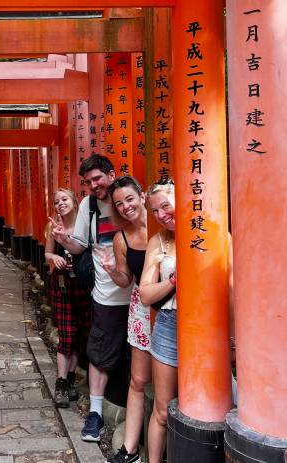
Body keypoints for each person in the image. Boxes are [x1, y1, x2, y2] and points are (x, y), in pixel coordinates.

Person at [51, 154, 133, 442]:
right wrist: (64, 241)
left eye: (97, 179)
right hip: (106, 294)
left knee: (137, 358)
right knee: (99, 352)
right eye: (87, 182)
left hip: (139, 294)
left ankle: (133, 418)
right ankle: (96, 413)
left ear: (111, 174)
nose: (93, 186)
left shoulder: (129, 198)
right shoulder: (88, 205)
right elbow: (80, 246)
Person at [100, 176, 150, 463]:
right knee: (138, 380)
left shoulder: (165, 225)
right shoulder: (122, 238)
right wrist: (110, 271)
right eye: (119, 204)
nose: (125, 206)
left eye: (129, 199)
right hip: (141, 310)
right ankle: (129, 448)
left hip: (173, 308)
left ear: (142, 196)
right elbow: (125, 280)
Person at [138, 178, 177, 463]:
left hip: (209, 329)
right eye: (155, 211)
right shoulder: (158, 241)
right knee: (162, 410)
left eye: (165, 205)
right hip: (169, 324)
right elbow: (146, 293)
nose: (162, 215)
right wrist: (174, 281)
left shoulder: (212, 231)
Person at [44, 189, 92, 408]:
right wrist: (54, 256)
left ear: (75, 201)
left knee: (81, 334)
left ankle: (71, 379)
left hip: (83, 284)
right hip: (63, 284)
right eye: (56, 201)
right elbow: (47, 254)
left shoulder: (85, 225)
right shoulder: (53, 227)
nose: (60, 204)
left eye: (64, 199)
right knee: (66, 334)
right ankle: (61, 383)